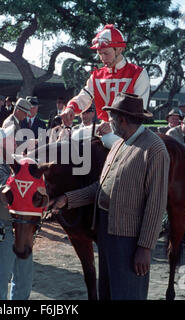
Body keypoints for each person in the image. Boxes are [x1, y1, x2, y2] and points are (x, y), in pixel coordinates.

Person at [52, 93, 169, 300]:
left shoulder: (154, 148)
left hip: (130, 239)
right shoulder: (117, 145)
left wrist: (145, 247)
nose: (108, 122)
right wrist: (67, 199)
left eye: (111, 118)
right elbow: (101, 187)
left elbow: (156, 202)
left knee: (127, 294)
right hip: (106, 232)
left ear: (122, 119)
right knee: (107, 293)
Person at [60, 24, 150, 133]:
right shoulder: (96, 76)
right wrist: (71, 108)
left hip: (129, 132)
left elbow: (137, 111)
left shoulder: (139, 73)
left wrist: (113, 125)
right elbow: (84, 96)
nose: (102, 58)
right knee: (72, 137)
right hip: (104, 128)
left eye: (106, 53)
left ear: (119, 49)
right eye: (100, 54)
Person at [0, 126, 34, 300]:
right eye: (8, 138)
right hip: (5, 228)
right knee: (1, 279)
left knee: (24, 278)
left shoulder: (14, 163)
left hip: (20, 228)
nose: (13, 139)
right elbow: (15, 193)